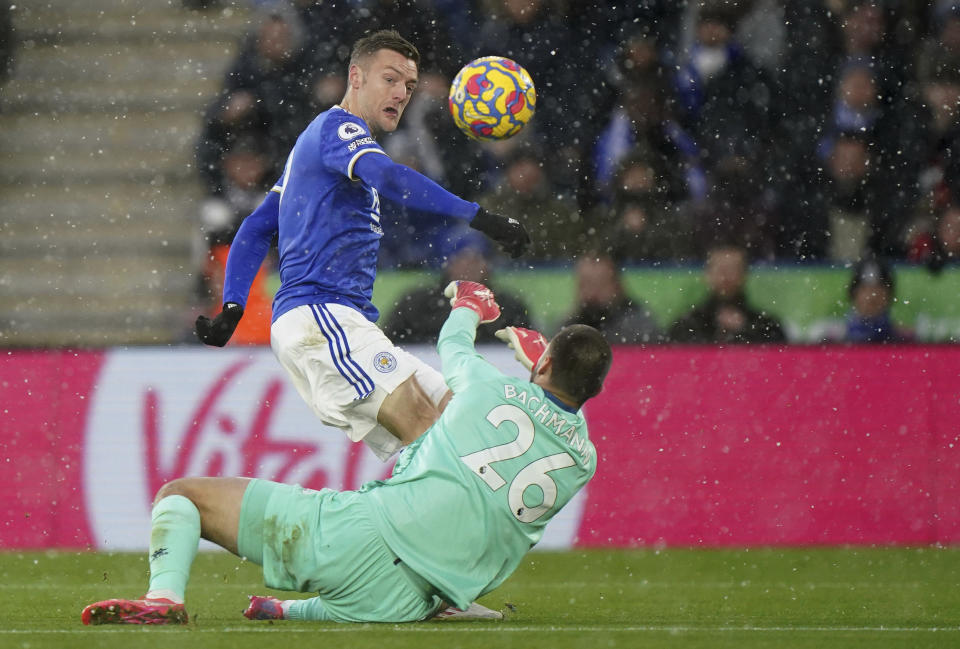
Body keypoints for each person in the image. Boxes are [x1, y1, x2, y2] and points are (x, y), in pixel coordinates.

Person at [81, 280, 612, 625]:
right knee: (385, 581)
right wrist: (547, 375)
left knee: (184, 497)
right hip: (415, 596)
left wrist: (470, 306)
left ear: (541, 367)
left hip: (366, 535)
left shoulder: (488, 388)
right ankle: (292, 611)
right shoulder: (583, 460)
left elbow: (454, 347)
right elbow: (558, 412)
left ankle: (165, 599)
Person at [194, 30, 530, 461]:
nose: (401, 94)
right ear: (356, 77)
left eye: (408, 86)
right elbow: (390, 178)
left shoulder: (309, 149)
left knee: (452, 423)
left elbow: (258, 227)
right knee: (442, 446)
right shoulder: (339, 127)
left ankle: (406, 524)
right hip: (321, 317)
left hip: (336, 323)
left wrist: (234, 308)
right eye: (389, 79)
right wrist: (481, 217)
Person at [383, 233, 532, 344]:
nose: (470, 265)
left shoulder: (509, 305)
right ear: (448, 262)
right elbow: (389, 344)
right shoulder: (416, 303)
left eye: (477, 258)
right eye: (463, 258)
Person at [668, 244, 786, 343]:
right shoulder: (687, 324)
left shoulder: (766, 326)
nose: (726, 276)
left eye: (732, 269)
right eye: (720, 269)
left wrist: (743, 330)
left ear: (744, 275)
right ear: (707, 274)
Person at [561, 251, 662, 344]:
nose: (592, 293)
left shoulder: (639, 328)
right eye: (585, 284)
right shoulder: (566, 329)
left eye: (600, 284)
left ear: (617, 286)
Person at [840, 257, 912, 343]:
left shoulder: (905, 339)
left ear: (889, 295)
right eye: (864, 288)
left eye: (879, 288)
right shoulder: (833, 337)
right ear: (853, 293)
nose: (872, 295)